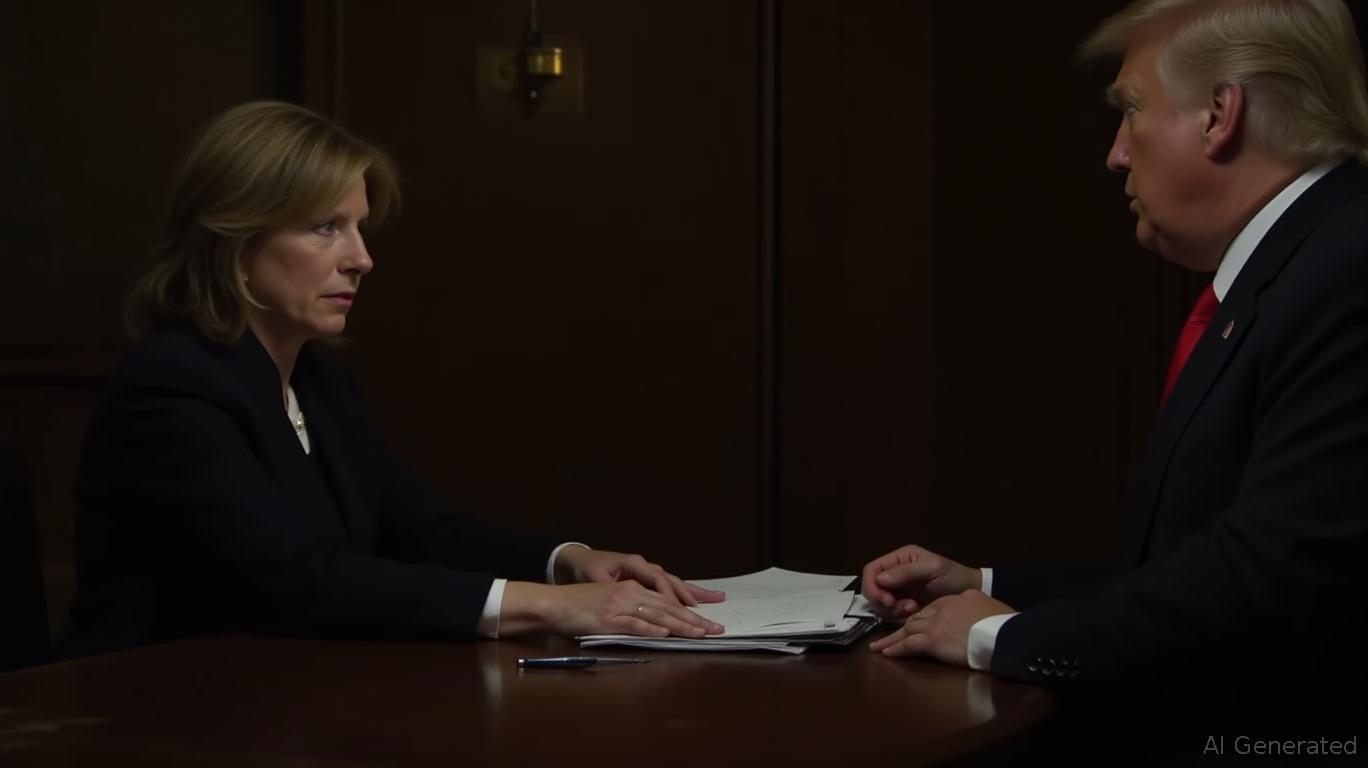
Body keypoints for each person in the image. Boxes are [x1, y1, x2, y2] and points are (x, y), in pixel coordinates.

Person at [862, 0, 1368, 758]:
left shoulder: (1345, 266)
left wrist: (1003, 637)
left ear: (1220, 114)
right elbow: (1177, 569)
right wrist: (985, 584)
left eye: (1131, 111)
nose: (1116, 154)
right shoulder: (1300, 261)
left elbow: (1270, 576)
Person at [64, 101, 725, 657]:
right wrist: (551, 607)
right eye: (327, 228)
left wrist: (568, 562)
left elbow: (421, 530)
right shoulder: (170, 387)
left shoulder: (319, 381)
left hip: (281, 703)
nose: (362, 258)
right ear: (235, 244)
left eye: (359, 228)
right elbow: (294, 583)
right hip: (150, 715)